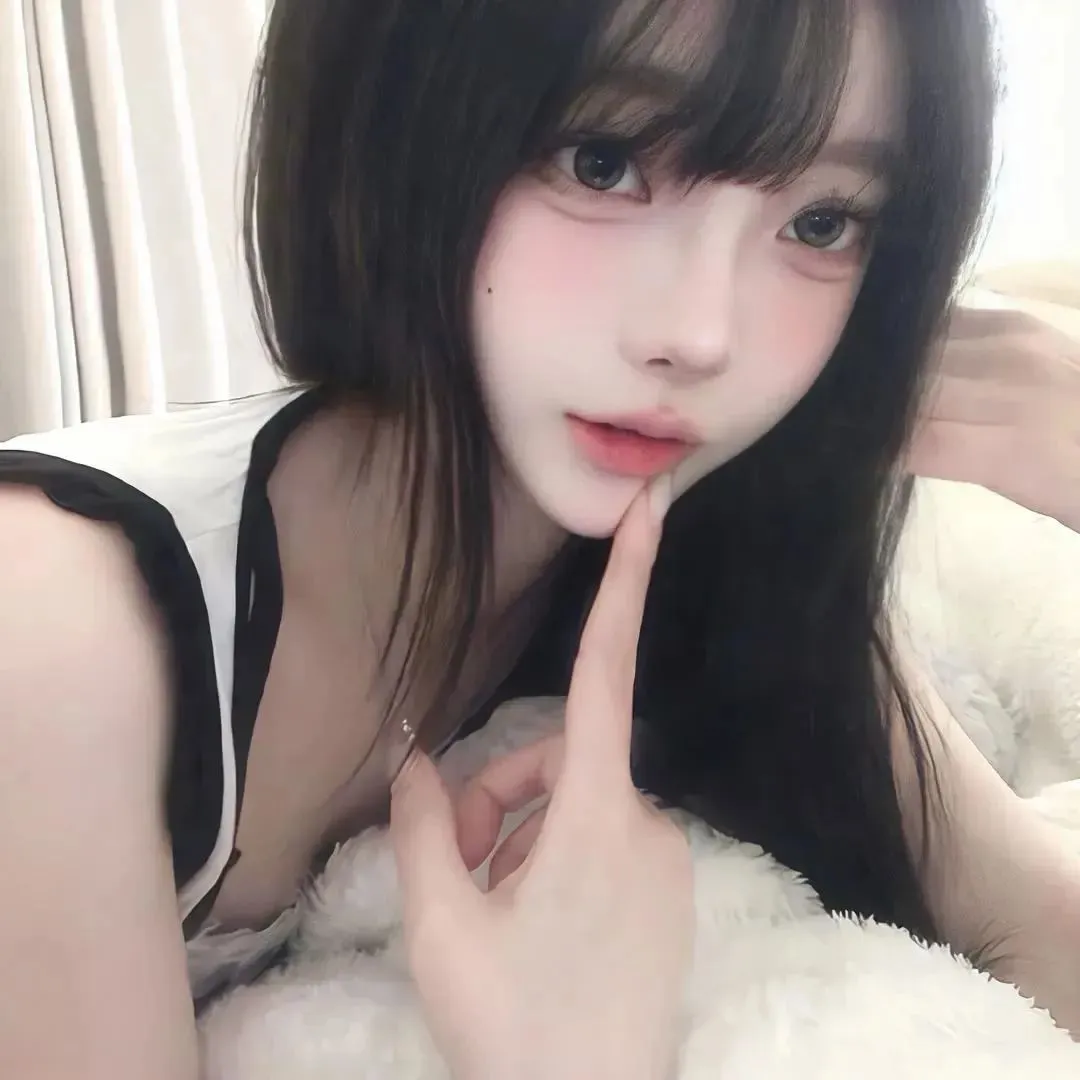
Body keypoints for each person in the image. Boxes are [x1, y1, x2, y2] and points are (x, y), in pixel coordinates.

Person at [0, 0, 1078, 1076]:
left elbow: (1041, 931)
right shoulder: (54, 624)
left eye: (823, 222)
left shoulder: (719, 559)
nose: (700, 334)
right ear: (389, 124)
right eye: (603, 163)